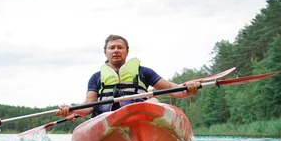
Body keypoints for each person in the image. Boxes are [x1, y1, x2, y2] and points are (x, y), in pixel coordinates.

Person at [56, 34, 201, 118]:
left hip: (140, 117)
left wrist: (187, 89)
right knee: (153, 99)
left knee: (154, 101)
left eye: (120, 48)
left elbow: (171, 88)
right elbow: (88, 106)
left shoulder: (144, 71)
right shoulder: (96, 77)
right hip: (107, 120)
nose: (116, 51)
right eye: (112, 48)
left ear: (127, 51)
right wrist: (72, 109)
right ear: (105, 52)